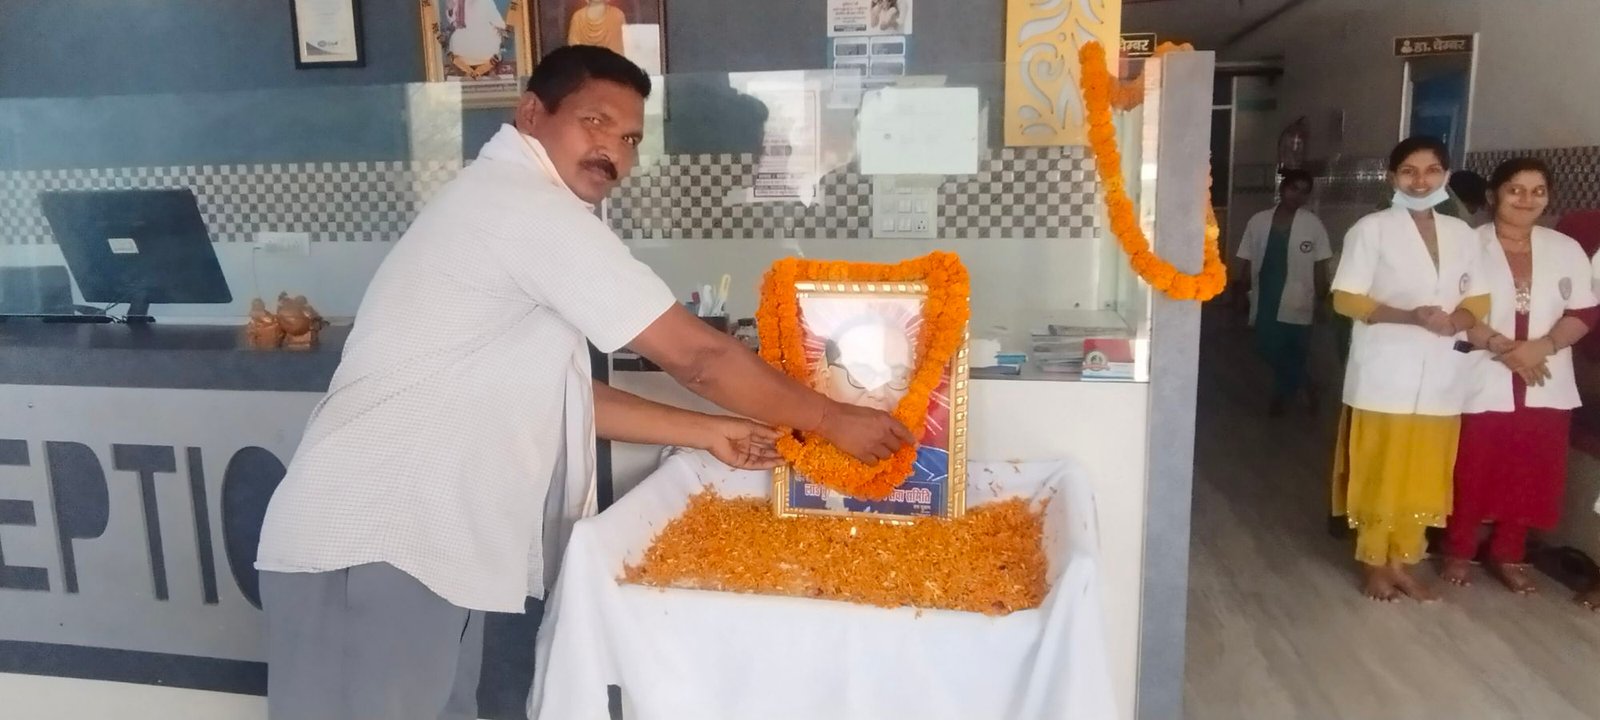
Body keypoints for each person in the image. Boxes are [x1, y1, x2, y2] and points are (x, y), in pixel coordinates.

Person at [253, 46, 913, 720]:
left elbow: (557, 395)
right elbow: (699, 358)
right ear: (531, 115)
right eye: (594, 122)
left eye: (629, 138)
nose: (613, 152)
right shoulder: (524, 209)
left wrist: (711, 431)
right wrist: (830, 419)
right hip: (373, 542)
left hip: (419, 551)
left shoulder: (516, 204)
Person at [1330, 136, 1487, 603]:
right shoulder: (1371, 229)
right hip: (1385, 371)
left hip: (1441, 375)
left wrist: (1457, 321)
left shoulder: (1462, 234)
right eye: (1409, 171)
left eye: (1432, 171)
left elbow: (1479, 297)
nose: (1421, 181)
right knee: (1381, 468)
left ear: (1446, 175)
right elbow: (1346, 298)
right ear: (1391, 177)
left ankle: (1403, 561)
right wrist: (1410, 316)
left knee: (1424, 471)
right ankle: (1374, 562)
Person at [1442, 158, 1599, 594]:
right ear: (1493, 195)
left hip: (1545, 374)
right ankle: (1459, 548)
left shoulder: (1565, 248)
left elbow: (1585, 311)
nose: (1526, 200)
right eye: (1515, 190)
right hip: (1484, 368)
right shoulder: (1466, 245)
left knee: (1530, 469)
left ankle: (1509, 552)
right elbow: (1454, 309)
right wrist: (1504, 348)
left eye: (1538, 191)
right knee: (1472, 466)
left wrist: (1541, 347)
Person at [1236, 169, 1333, 415]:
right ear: (1282, 189)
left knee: (1295, 350)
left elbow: (1320, 263)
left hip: (1300, 297)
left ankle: (1281, 396)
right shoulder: (1258, 221)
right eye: (1293, 189)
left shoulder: (1312, 224)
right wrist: (1240, 287)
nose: (1297, 195)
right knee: (1266, 347)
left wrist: (1322, 298)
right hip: (1267, 294)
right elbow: (1247, 256)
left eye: (1304, 192)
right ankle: (1306, 384)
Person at [446, 0, 508, 66]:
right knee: (498, 35)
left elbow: (453, 22)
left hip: (462, 50)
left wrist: (450, 9)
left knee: (455, 38)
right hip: (484, 50)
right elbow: (500, 23)